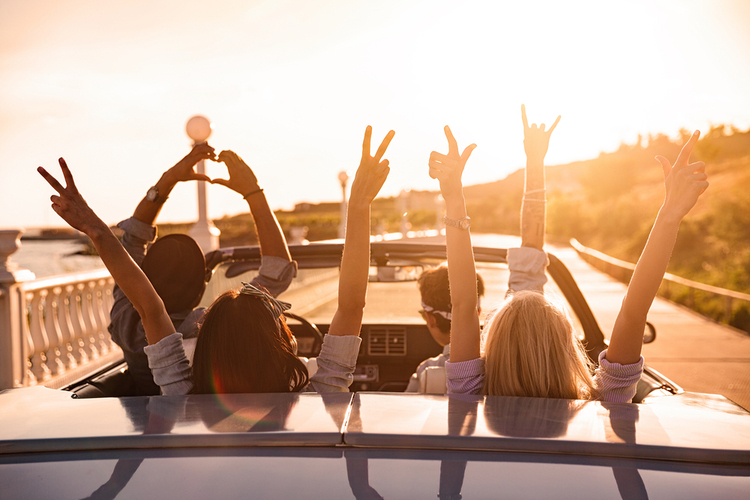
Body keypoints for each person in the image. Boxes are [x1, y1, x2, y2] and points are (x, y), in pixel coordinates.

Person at [38, 125, 395, 395]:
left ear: (204, 345)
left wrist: (96, 230)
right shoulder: (320, 397)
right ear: (286, 343)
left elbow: (150, 309)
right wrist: (361, 205)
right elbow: (351, 305)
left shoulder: (179, 395)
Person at [428, 106, 708, 402]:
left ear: (492, 348)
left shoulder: (469, 398)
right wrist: (670, 214)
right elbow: (633, 313)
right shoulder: (602, 404)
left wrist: (454, 198)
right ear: (567, 346)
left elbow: (462, 304)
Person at [108, 144, 296, 395]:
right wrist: (253, 192)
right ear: (201, 289)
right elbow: (278, 269)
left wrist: (168, 179)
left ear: (142, 280)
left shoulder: (128, 325)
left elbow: (131, 242)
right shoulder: (219, 328)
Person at [404, 265, 485, 392]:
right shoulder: (502, 364)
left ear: (431, 319)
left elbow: (405, 409)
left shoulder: (426, 369)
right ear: (478, 313)